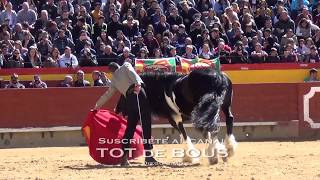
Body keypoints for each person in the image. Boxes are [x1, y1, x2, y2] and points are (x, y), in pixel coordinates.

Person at [93, 62, 160, 166]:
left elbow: (107, 95)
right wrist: (137, 83)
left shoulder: (114, 80)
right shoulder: (125, 66)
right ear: (118, 66)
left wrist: (96, 107)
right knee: (145, 125)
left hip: (129, 101)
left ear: (111, 71)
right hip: (138, 95)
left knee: (130, 128)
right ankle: (149, 156)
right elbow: (132, 72)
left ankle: (124, 158)